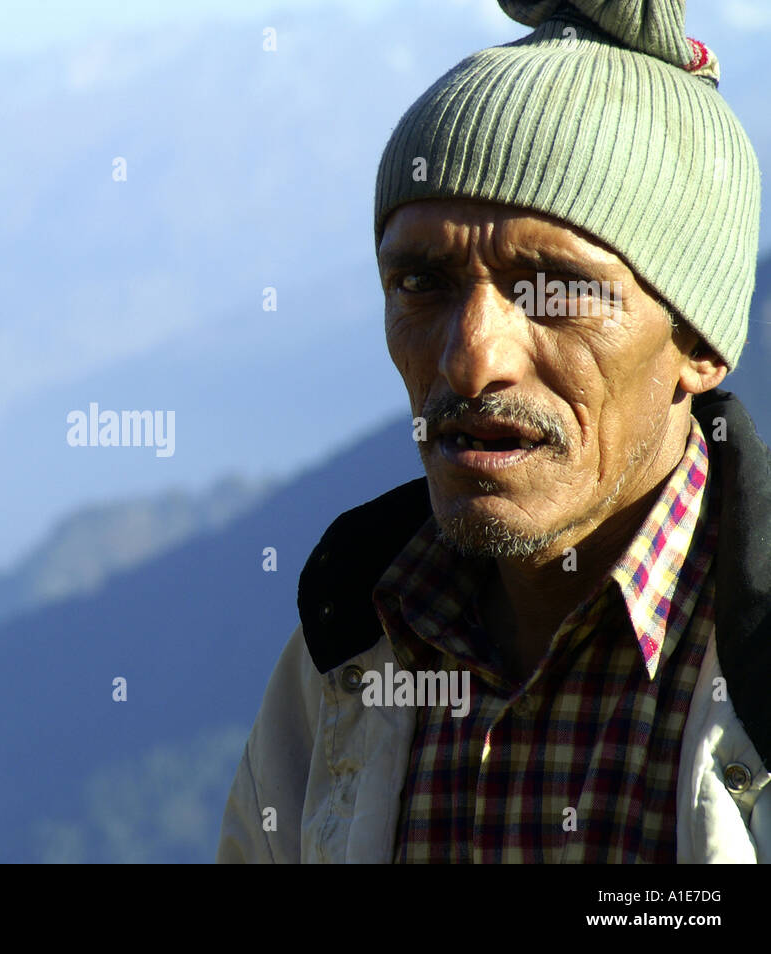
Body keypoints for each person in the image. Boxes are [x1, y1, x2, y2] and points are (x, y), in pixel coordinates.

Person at [216, 0, 768, 863]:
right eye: (421, 283)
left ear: (696, 343)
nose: (473, 361)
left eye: (552, 287)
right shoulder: (341, 663)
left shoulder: (754, 671)